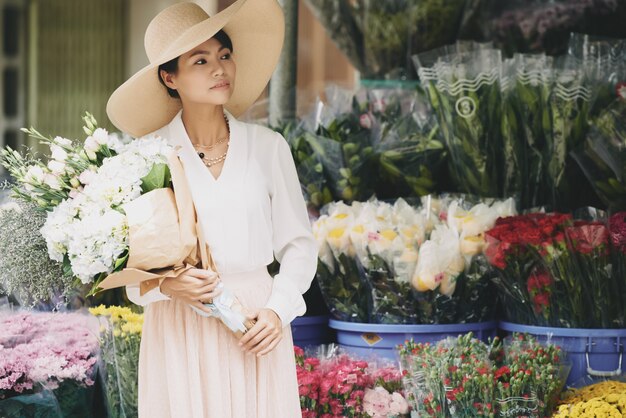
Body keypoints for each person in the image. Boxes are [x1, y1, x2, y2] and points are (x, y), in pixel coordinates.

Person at [105, 1, 318, 417]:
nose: (219, 69)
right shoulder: (148, 158)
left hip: (256, 325)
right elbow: (130, 268)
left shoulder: (267, 147)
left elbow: (299, 245)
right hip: (180, 326)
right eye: (200, 60)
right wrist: (168, 286)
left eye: (224, 55)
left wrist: (278, 310)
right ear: (170, 77)